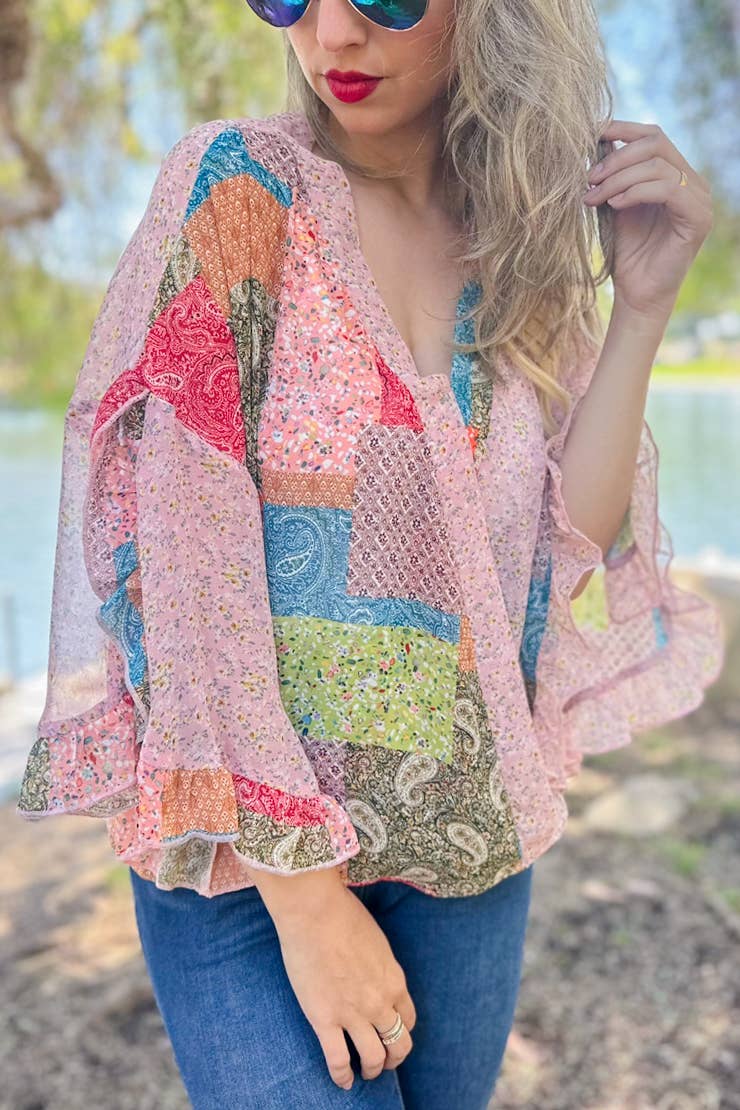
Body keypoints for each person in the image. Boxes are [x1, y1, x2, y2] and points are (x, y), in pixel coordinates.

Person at [16, 0, 724, 1106]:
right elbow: (177, 561)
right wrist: (307, 904)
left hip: (465, 848)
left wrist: (641, 306)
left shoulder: (514, 238)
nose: (333, 36)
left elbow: (563, 547)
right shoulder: (240, 188)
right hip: (250, 869)